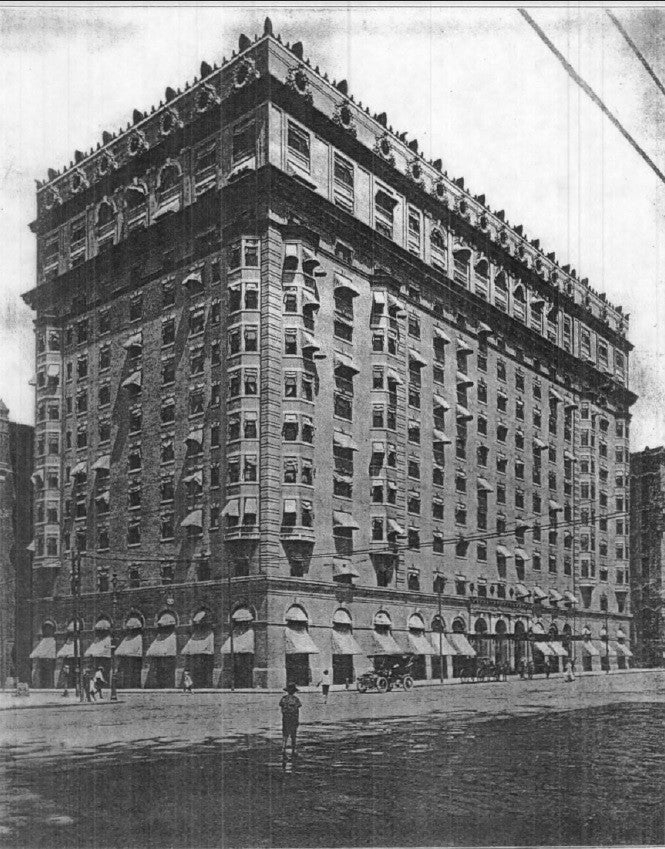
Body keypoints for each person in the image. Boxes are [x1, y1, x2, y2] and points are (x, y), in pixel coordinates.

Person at [279, 682, 302, 760]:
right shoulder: (296, 699)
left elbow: (281, 706)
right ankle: (293, 750)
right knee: (293, 735)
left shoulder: (284, 698)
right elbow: (298, 707)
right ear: (294, 691)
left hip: (285, 718)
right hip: (294, 719)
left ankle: (283, 748)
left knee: (285, 734)